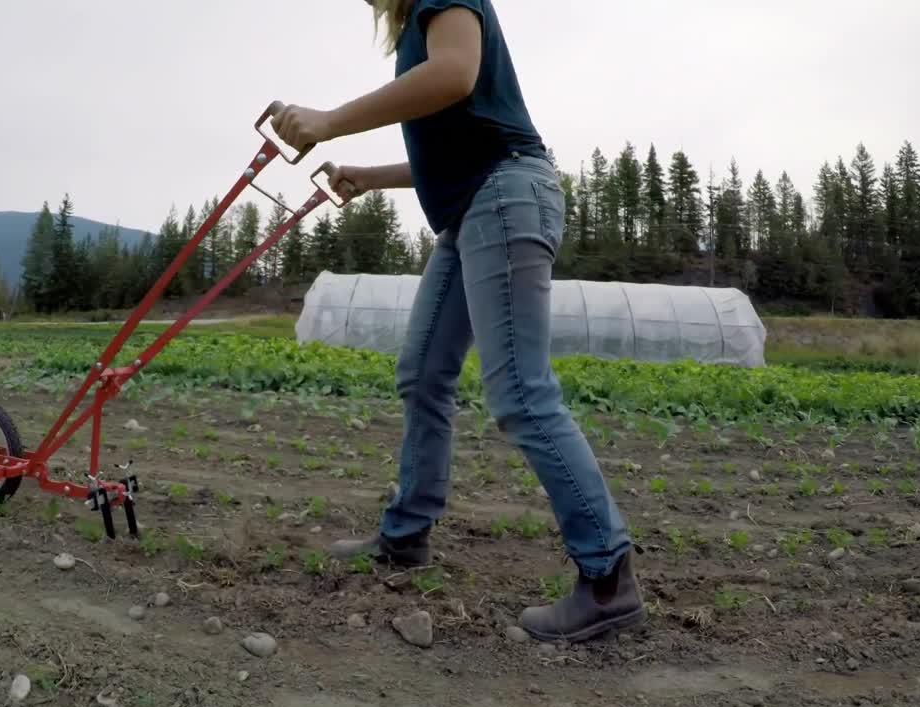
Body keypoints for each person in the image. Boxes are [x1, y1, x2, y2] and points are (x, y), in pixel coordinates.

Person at [269, 0, 643, 643]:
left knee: (521, 392)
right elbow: (459, 144)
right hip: (472, 207)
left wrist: (330, 122)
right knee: (422, 373)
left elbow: (455, 76)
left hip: (504, 198)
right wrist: (372, 175)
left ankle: (608, 578)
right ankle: (406, 535)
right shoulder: (418, 25)